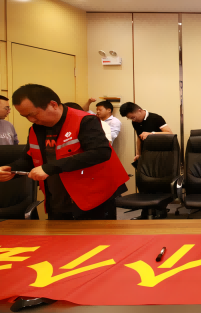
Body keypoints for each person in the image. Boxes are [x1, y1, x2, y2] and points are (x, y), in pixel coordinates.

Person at [0, 84, 128, 220]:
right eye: (25, 116)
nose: (31, 120)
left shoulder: (84, 121)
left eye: (33, 114)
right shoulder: (36, 129)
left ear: (53, 105)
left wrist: (49, 168)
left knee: (95, 234)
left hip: (93, 196)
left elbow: (101, 152)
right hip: (58, 198)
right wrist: (11, 169)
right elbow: (29, 159)